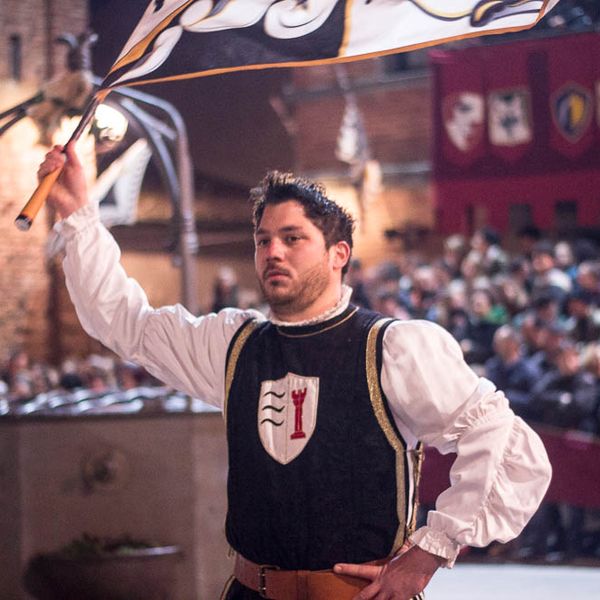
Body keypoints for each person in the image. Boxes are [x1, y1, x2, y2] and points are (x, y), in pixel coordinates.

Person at [39, 144, 552, 600]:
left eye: (292, 238)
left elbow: (501, 438)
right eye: (263, 240)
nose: (273, 252)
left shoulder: (392, 347)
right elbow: (124, 323)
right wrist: (79, 214)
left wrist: (428, 554)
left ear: (338, 254)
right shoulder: (233, 345)